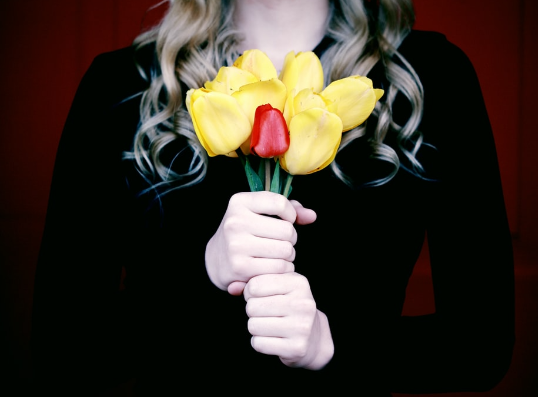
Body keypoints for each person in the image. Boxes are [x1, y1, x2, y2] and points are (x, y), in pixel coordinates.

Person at [31, 0, 515, 396]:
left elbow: (481, 349)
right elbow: (61, 355)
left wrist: (333, 346)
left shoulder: (430, 78)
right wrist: (201, 274)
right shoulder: (120, 85)